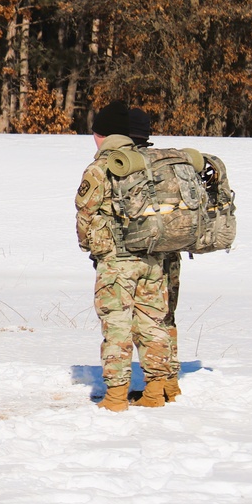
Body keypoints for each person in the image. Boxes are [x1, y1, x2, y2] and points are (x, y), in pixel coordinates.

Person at [75, 101, 173, 410]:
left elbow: (85, 215)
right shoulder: (148, 161)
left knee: (117, 325)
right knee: (151, 322)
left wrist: (92, 247)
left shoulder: (101, 166)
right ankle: (155, 391)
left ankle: (116, 397)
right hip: (152, 258)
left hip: (116, 263)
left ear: (101, 134)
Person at [128, 106, 182, 403]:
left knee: (146, 320)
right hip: (172, 252)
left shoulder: (131, 165)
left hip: (147, 255)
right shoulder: (167, 163)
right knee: (167, 317)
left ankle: (154, 389)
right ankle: (170, 385)